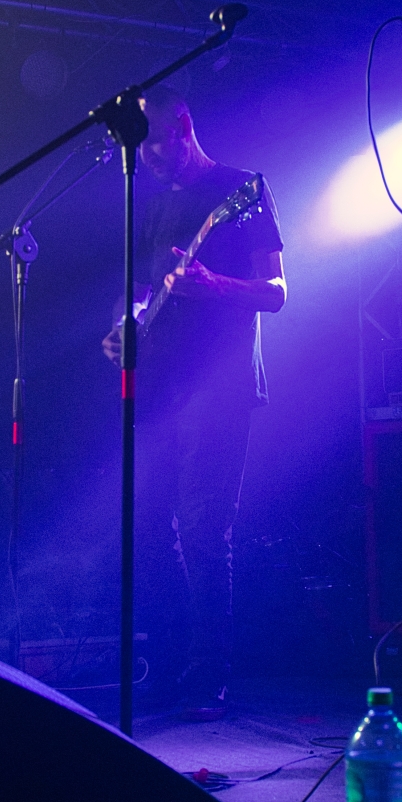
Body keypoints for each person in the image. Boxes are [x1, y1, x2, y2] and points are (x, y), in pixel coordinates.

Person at [102, 87, 285, 720]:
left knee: (206, 530)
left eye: (154, 145)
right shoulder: (150, 203)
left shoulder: (242, 189)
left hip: (222, 382)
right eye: (139, 151)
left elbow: (277, 292)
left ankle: (211, 677)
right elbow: (140, 292)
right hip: (160, 382)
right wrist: (124, 325)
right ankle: (168, 666)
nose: (147, 159)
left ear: (183, 125)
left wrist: (211, 285)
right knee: (148, 527)